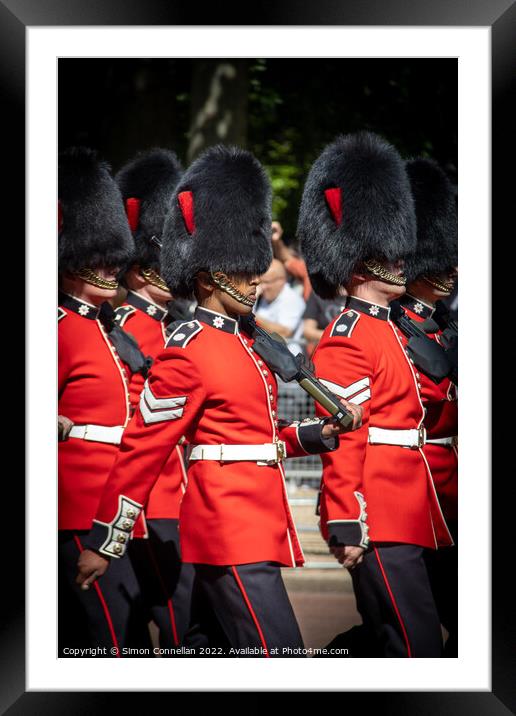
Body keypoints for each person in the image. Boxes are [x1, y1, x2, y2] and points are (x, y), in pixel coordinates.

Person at [76, 145, 362, 657]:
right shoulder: (190, 349)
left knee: (206, 652)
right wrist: (105, 537)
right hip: (228, 525)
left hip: (253, 520)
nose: (258, 277)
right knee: (279, 654)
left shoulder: (246, 344)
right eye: (243, 269)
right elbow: (144, 446)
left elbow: (256, 436)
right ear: (210, 276)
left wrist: (313, 435)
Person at [298, 131, 453, 657]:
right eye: (391, 251)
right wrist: (346, 516)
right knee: (411, 647)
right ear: (362, 260)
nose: (404, 260)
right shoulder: (348, 334)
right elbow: (347, 434)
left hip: (414, 507)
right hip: (379, 512)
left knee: (400, 642)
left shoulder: (389, 328)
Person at [58, 147, 151, 655]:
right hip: (73, 508)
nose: (114, 267)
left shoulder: (107, 328)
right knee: (110, 642)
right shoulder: (59, 329)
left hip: (112, 505)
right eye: (101, 258)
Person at [114, 147, 196, 650]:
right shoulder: (128, 326)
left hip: (179, 488)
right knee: (173, 618)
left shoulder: (171, 327)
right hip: (152, 496)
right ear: (144, 268)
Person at [397, 157, 459, 656]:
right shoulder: (399, 327)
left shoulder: (442, 325)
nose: (452, 271)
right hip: (416, 483)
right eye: (441, 262)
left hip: (452, 482)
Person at [254, 258, 306, 355]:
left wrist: (252, 317)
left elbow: (284, 332)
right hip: (265, 351)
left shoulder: (291, 299)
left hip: (287, 357)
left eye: (267, 282)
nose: (262, 287)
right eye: (261, 282)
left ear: (281, 280)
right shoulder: (261, 296)